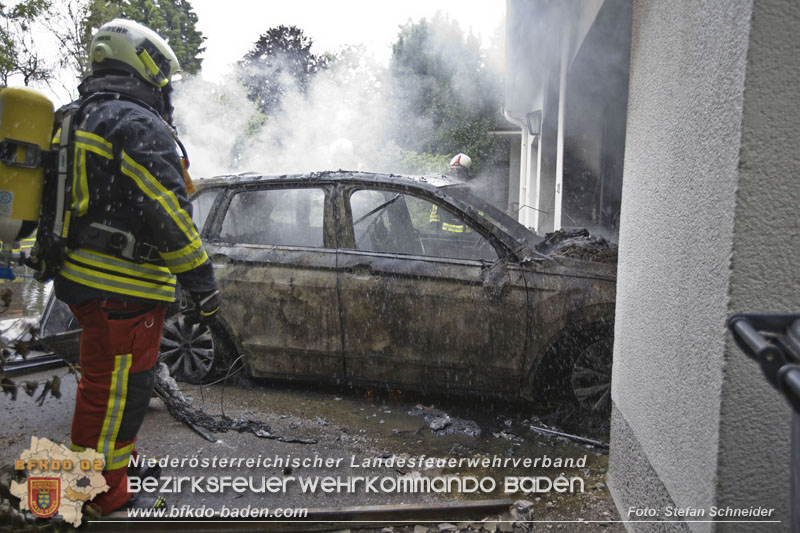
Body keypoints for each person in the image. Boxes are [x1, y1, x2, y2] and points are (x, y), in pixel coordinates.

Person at [51, 19, 219, 514]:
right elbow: (167, 211)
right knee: (117, 391)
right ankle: (99, 492)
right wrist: (201, 280)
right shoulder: (136, 123)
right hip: (122, 286)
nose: (166, 84)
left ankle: (112, 466)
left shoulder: (75, 115)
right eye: (163, 73)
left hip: (84, 278)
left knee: (109, 382)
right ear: (144, 63)